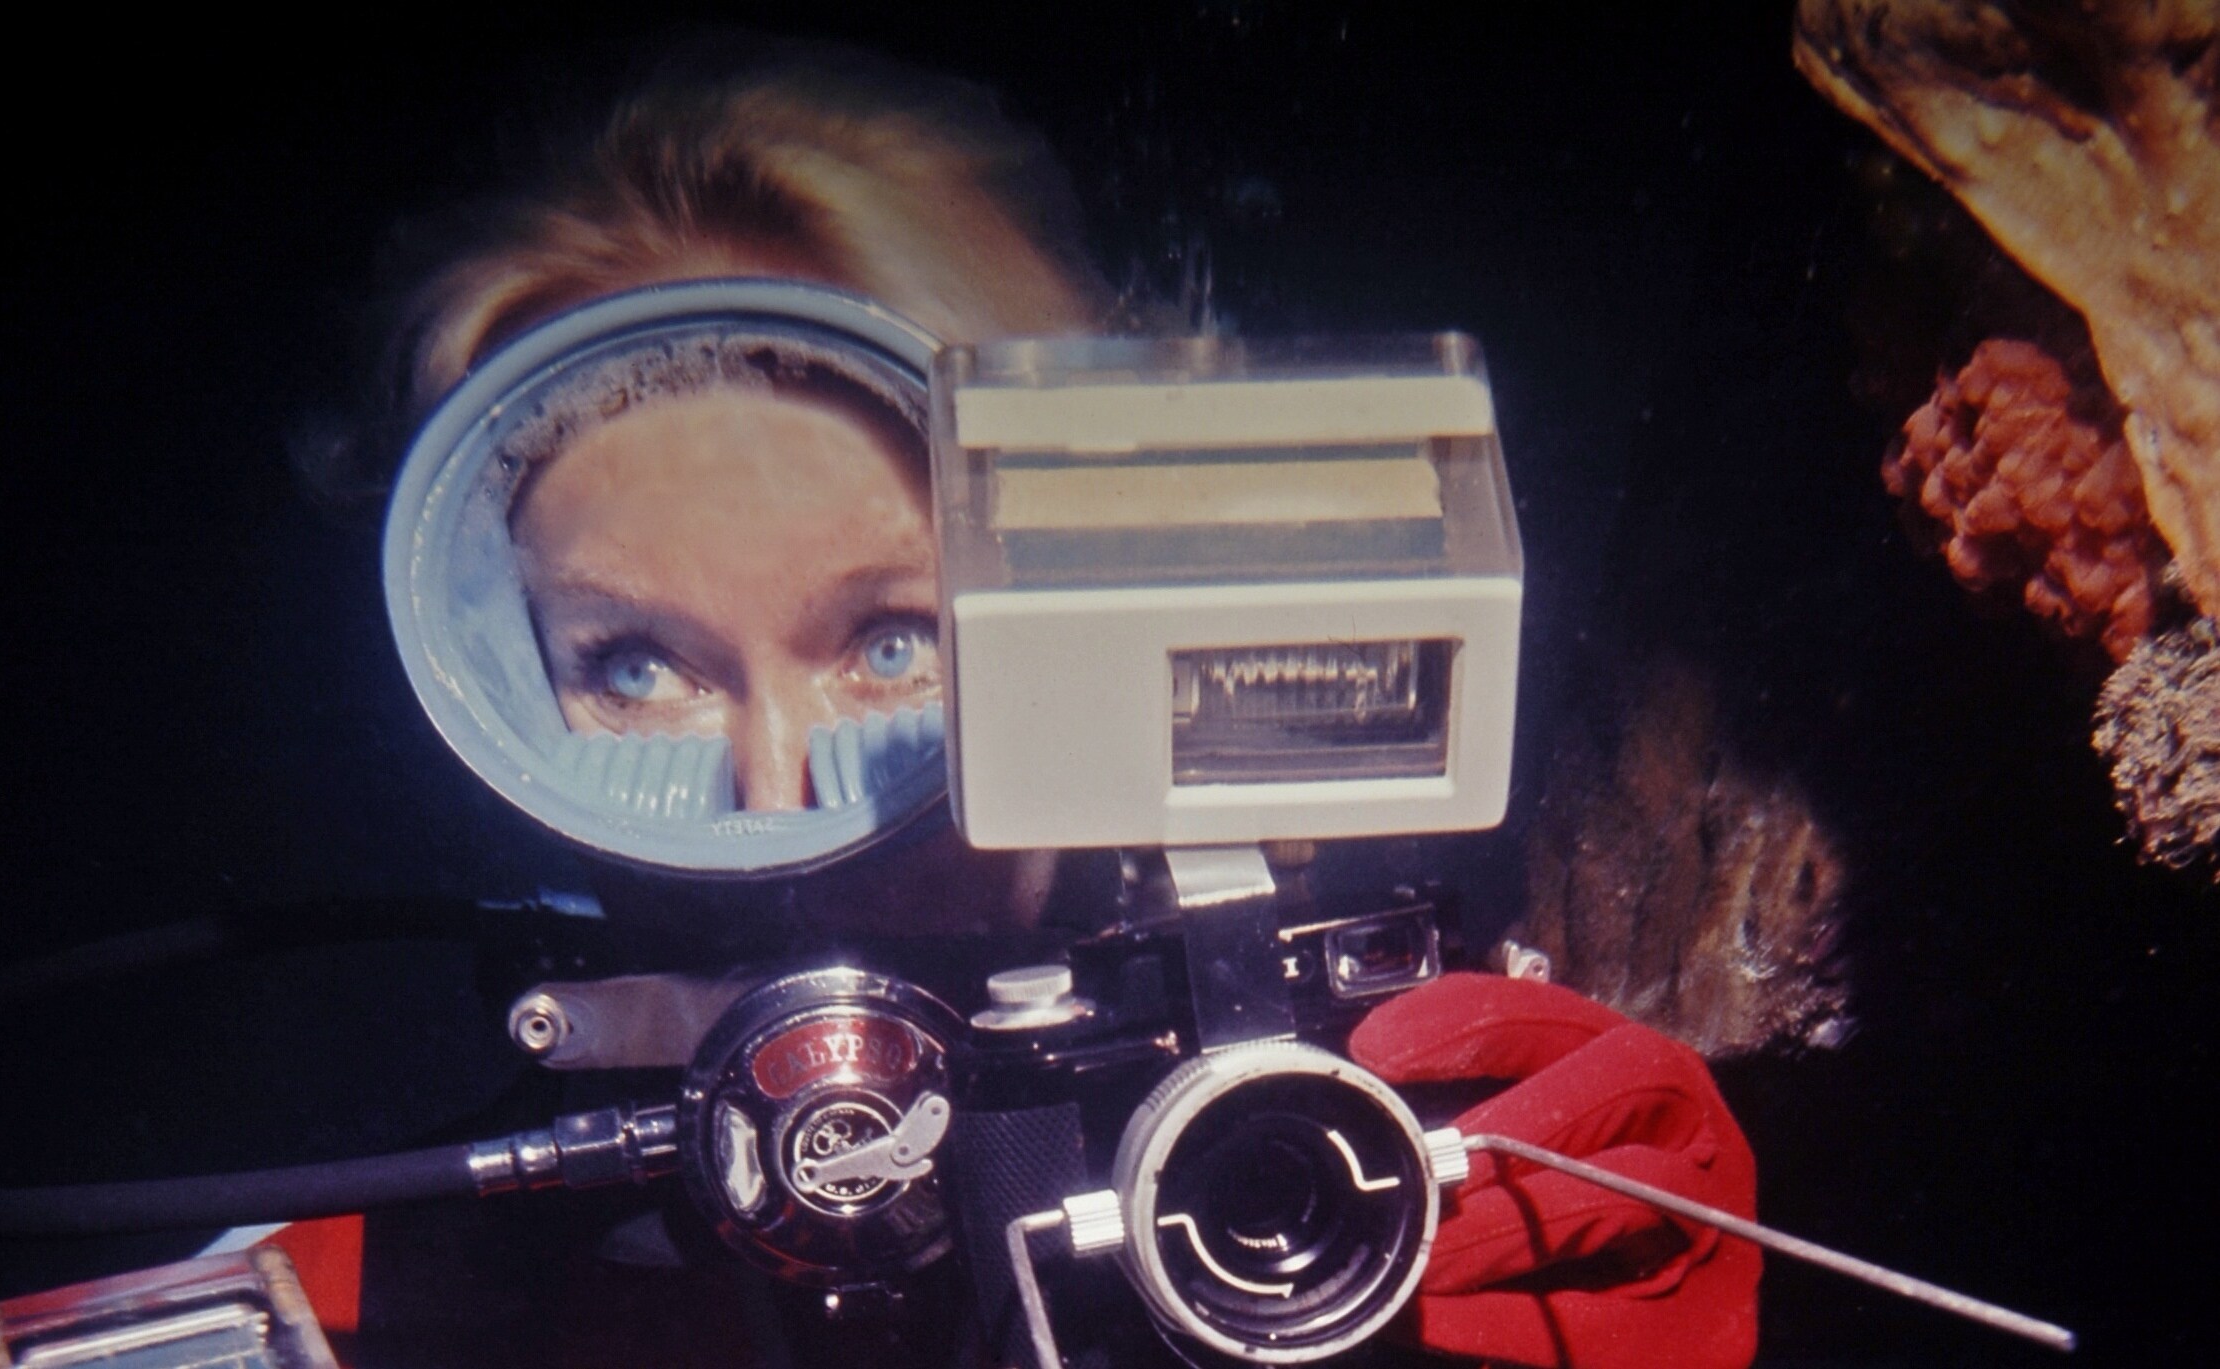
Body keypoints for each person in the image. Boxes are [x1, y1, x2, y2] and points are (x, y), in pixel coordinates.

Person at [331, 35, 1761, 1369]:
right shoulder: (369, 1292)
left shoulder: (1361, 1178)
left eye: (893, 643)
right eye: (636, 668)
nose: (776, 798)